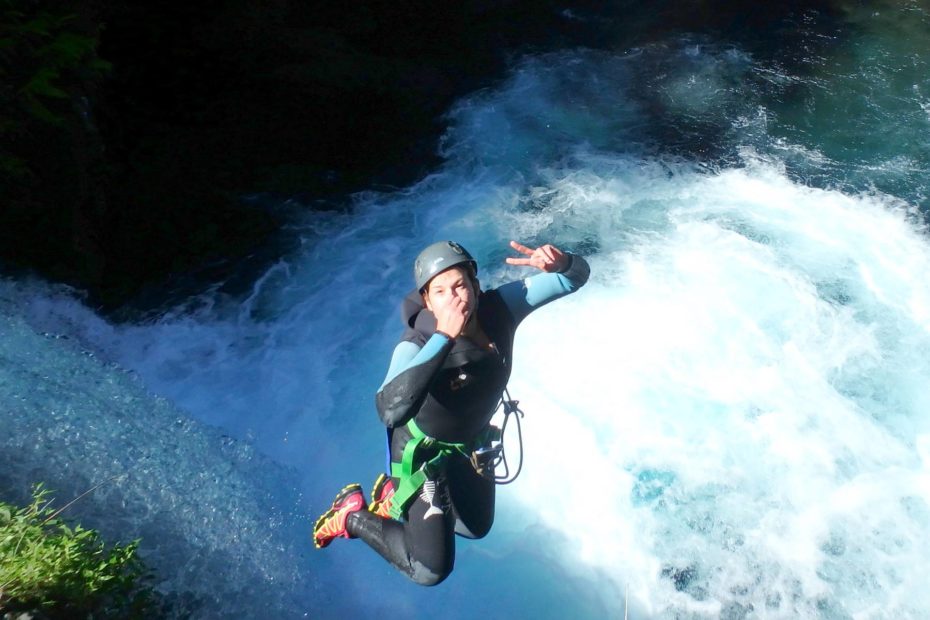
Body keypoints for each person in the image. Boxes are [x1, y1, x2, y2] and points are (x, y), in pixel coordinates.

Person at [312, 239, 590, 585]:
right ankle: (352, 516)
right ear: (427, 301)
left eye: (460, 284)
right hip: (423, 456)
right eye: (440, 291)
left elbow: (574, 278)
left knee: (475, 528)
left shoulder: (500, 308)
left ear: (475, 286)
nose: (455, 297)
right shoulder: (416, 341)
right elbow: (389, 410)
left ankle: (390, 498)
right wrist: (443, 338)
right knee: (430, 571)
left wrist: (562, 263)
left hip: (469, 441)